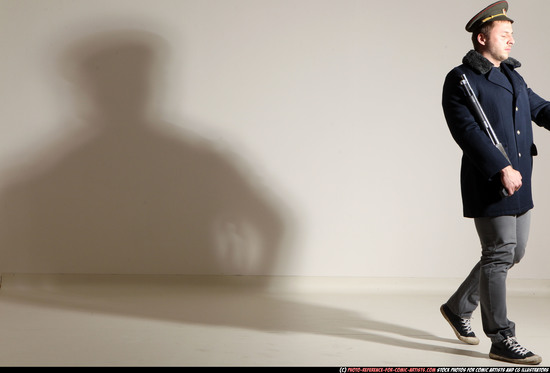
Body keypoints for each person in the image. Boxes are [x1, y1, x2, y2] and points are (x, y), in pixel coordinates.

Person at [441, 1, 549, 365]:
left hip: (522, 181)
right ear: (482, 37)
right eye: (506, 35)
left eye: (513, 35)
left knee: (512, 253)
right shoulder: (461, 79)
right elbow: (467, 132)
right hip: (492, 180)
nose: (512, 41)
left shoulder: (513, 76)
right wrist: (501, 167)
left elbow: (539, 108)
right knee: (500, 252)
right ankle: (501, 337)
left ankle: (458, 308)